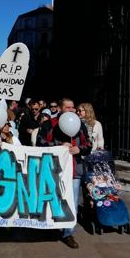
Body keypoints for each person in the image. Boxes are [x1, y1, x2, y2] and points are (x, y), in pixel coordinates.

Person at [36, 98, 91, 249]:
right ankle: (50, 227)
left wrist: (79, 149)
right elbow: (39, 143)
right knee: (52, 197)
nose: (72, 110)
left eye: (73, 107)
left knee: (72, 201)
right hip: (53, 169)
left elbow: (88, 144)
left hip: (74, 169)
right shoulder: (48, 125)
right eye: (68, 107)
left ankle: (68, 233)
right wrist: (59, 146)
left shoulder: (80, 125)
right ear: (60, 109)